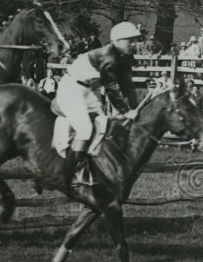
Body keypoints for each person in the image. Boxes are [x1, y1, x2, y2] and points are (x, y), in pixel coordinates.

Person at [55, 21, 142, 187]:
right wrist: (125, 111)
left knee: (102, 124)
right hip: (71, 87)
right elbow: (111, 88)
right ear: (116, 41)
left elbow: (128, 87)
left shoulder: (125, 57)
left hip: (86, 89)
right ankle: (67, 175)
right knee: (85, 129)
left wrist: (136, 109)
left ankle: (88, 166)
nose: (134, 44)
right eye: (130, 41)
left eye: (136, 40)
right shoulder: (108, 55)